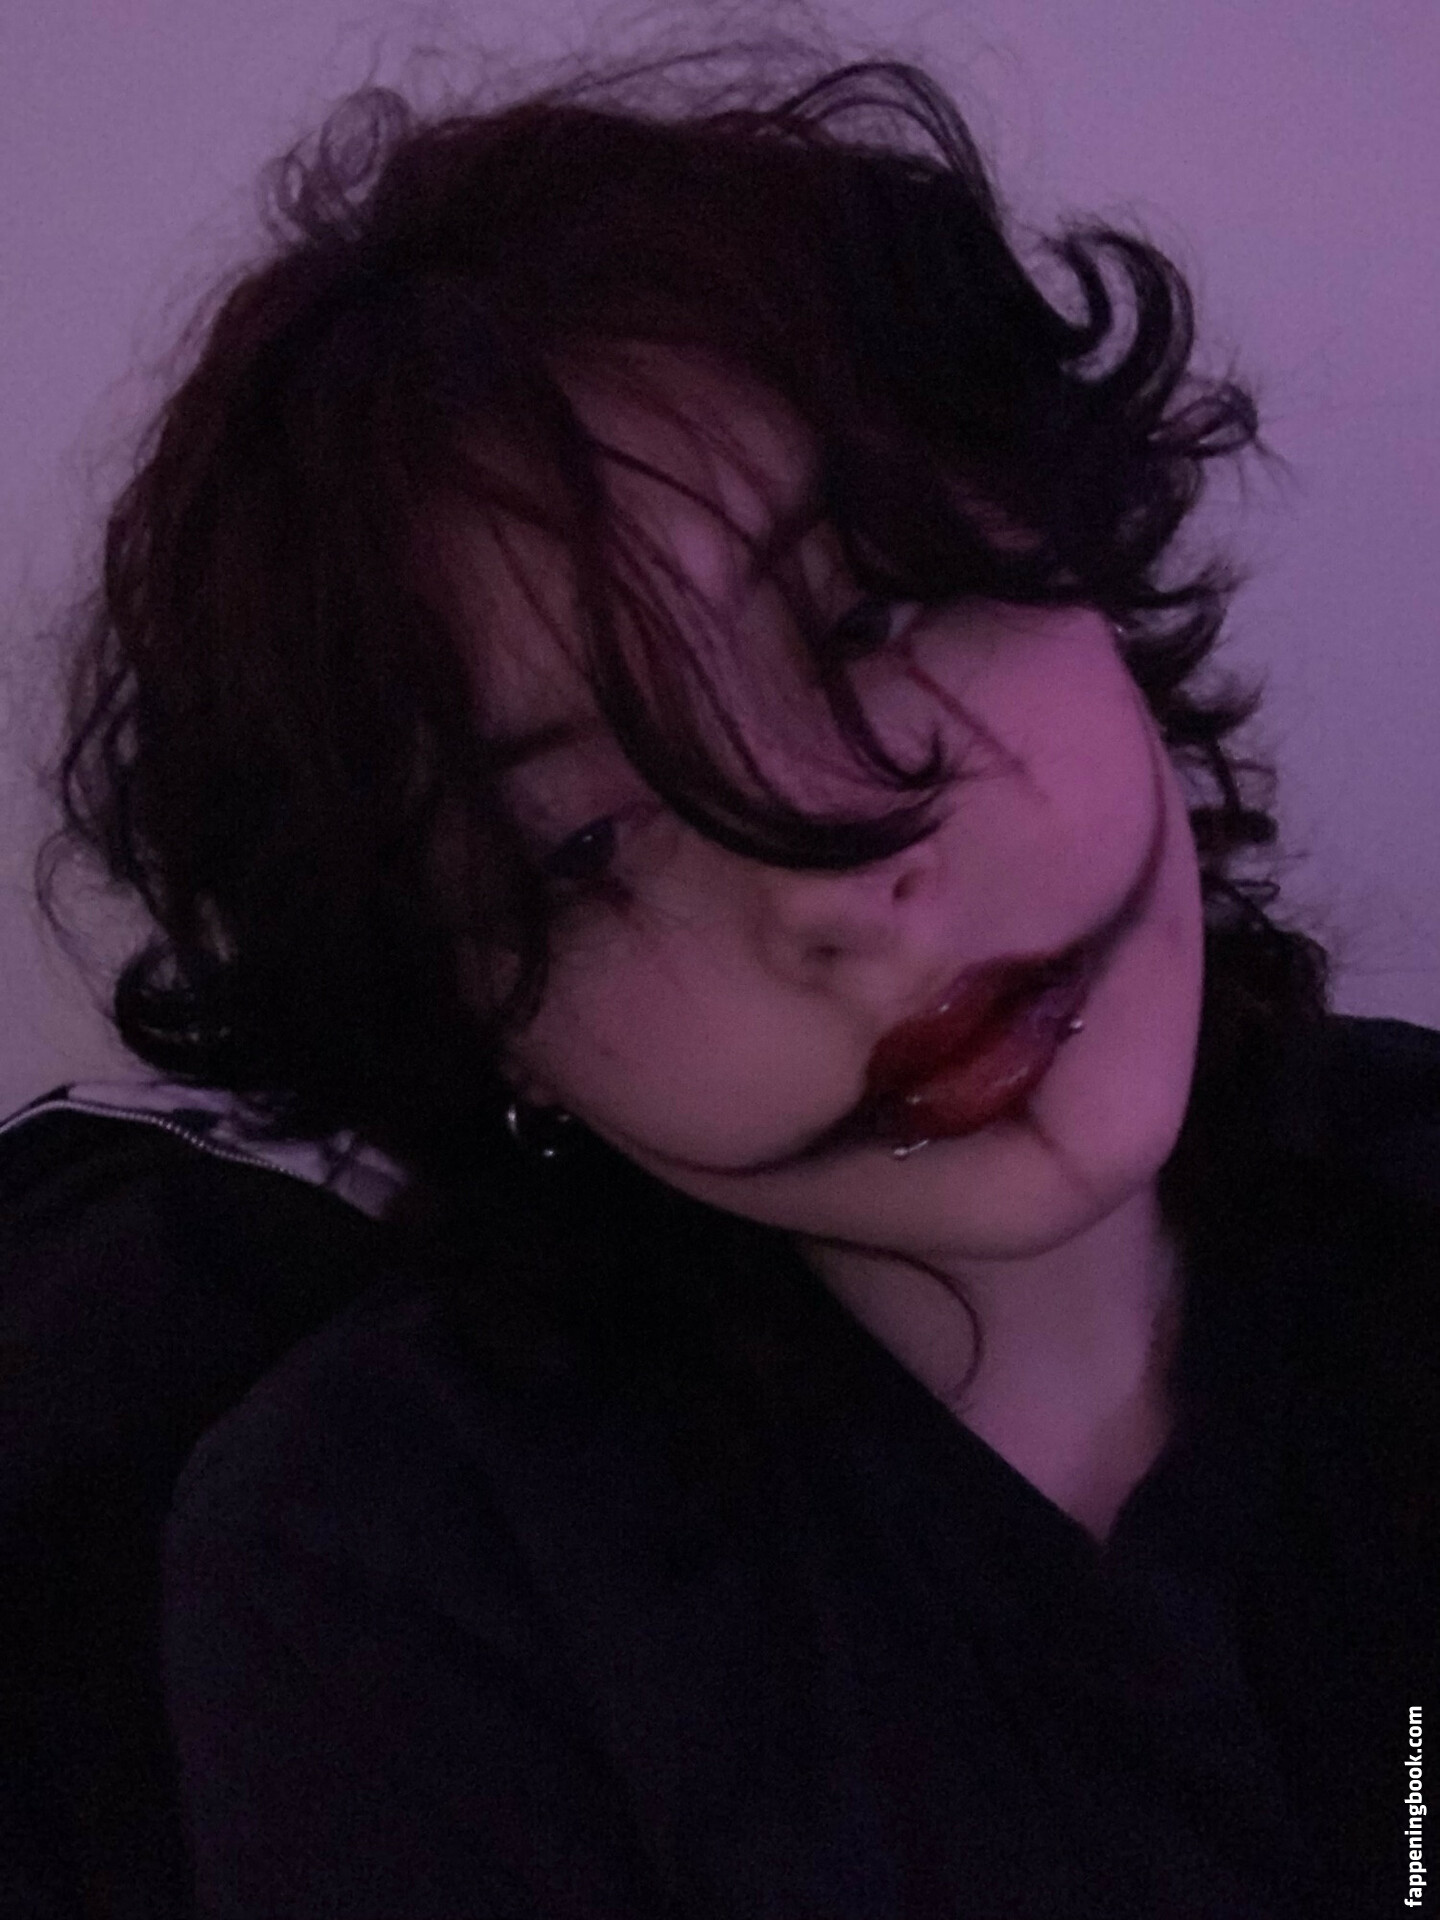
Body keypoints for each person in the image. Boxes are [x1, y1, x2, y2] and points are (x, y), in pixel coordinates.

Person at [4, 46, 1437, 1920]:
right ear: (470, 1020)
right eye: (586, 845)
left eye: (869, 613)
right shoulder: (386, 1559)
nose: (840, 885)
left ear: (1076, 552)